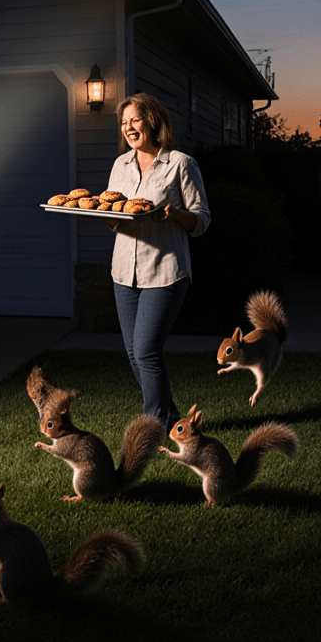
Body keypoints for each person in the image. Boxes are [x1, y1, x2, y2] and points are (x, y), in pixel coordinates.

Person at [104, 93, 210, 433]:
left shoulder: (180, 163)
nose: (128, 128)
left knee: (147, 351)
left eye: (134, 120)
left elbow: (202, 219)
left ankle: (152, 428)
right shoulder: (120, 165)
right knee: (135, 356)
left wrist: (175, 215)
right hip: (124, 271)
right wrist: (102, 215)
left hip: (164, 270)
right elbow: (116, 217)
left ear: (152, 120)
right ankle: (173, 419)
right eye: (124, 123)